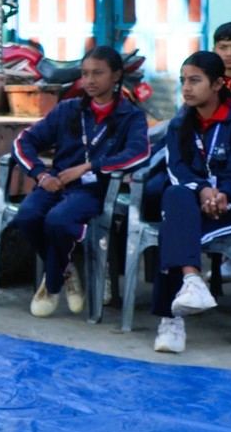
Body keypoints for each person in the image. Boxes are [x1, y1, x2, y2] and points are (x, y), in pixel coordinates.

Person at [8, 45, 150, 318]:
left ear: (116, 75)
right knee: (26, 215)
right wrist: (41, 174)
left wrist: (90, 166)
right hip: (56, 184)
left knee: (59, 220)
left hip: (94, 189)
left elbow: (139, 153)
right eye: (85, 74)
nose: (90, 81)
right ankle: (64, 267)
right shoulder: (68, 109)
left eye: (98, 73)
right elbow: (23, 141)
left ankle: (52, 283)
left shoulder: (130, 116)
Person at [147, 53, 231, 354]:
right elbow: (178, 170)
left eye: (195, 80)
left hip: (230, 207)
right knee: (176, 194)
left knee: (172, 227)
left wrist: (221, 194)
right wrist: (201, 190)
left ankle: (170, 319)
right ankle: (192, 282)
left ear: (218, 84)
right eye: (184, 80)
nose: (186, 87)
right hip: (192, 201)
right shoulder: (179, 124)